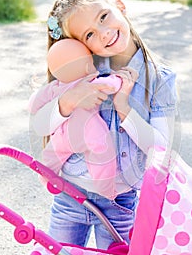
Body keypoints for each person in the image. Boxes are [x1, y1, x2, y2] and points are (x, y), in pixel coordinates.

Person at [30, 0, 177, 249]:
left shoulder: (158, 78)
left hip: (120, 203)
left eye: (104, 17)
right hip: (70, 195)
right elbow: (39, 124)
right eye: (89, 35)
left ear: (118, 5)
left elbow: (161, 149)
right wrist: (69, 101)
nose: (103, 33)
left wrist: (124, 109)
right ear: (80, 44)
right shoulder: (81, 68)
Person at [29, 38, 122, 199]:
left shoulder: (54, 88)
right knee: (103, 153)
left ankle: (47, 181)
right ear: (88, 65)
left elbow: (33, 103)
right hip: (90, 132)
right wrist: (119, 79)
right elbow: (111, 85)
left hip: (63, 135)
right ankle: (106, 189)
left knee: (50, 157)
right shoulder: (91, 81)